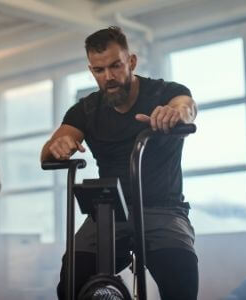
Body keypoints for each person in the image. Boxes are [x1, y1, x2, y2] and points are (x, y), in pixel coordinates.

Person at [40, 26, 199, 300]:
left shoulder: (164, 93)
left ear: (132, 62)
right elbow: (50, 150)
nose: (109, 77)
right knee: (71, 282)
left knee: (181, 276)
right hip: (109, 212)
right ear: (92, 71)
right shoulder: (86, 110)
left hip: (163, 209)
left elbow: (187, 107)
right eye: (100, 70)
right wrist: (59, 146)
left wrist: (175, 114)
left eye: (115, 66)